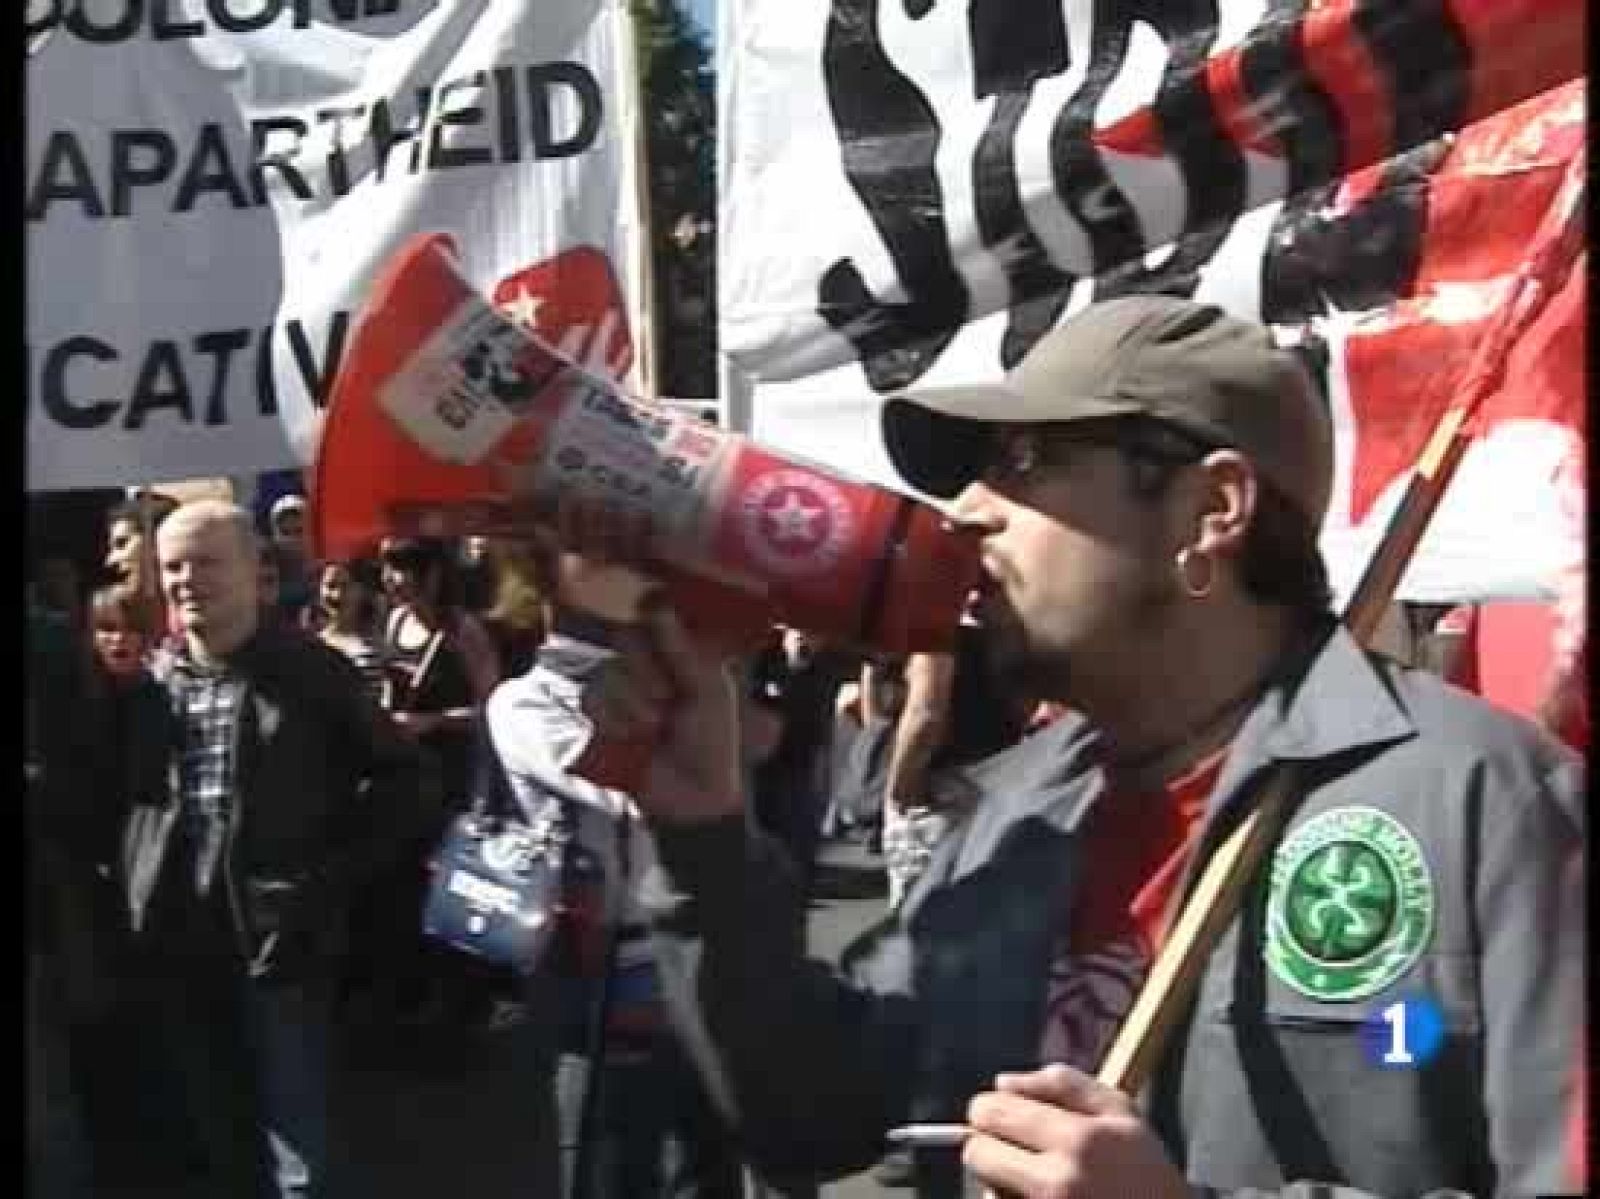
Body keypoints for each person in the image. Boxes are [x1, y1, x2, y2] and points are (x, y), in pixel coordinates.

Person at [564, 296, 1584, 1198]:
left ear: (1209, 509)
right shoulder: (1008, 813)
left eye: (1027, 463)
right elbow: (811, 1113)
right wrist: (700, 828)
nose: (965, 511)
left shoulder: (1484, 802)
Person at [129, 499, 438, 1199]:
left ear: (255, 571)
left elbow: (405, 781)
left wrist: (323, 882)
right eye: (173, 565)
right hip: (181, 939)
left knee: (298, 1149)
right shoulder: (154, 682)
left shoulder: (310, 672)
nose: (184, 579)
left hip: (280, 940)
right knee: (219, 1133)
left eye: (204, 562)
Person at [315, 558, 389, 704]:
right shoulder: (314, 645)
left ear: (362, 590)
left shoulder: (383, 638)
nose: (338, 594)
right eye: (330, 586)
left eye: (346, 586)